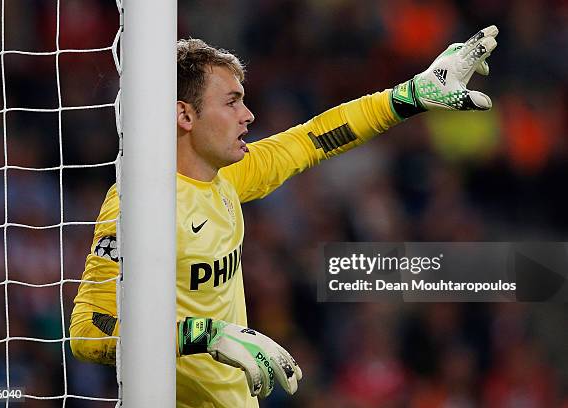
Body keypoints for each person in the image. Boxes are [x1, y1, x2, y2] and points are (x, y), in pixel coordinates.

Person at [69, 26, 499, 407]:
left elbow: (313, 139)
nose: (248, 115)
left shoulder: (228, 176)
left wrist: (409, 96)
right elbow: (89, 331)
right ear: (185, 115)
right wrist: (205, 334)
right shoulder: (139, 203)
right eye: (232, 102)